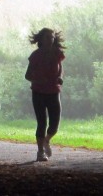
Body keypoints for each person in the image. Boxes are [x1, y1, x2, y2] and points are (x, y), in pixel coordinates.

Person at [25, 28, 65, 162]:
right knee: (41, 123)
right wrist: (38, 80)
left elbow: (60, 68)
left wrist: (60, 77)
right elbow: (27, 75)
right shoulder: (35, 55)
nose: (50, 39)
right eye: (48, 37)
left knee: (54, 124)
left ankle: (47, 140)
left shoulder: (57, 54)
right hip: (38, 93)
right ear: (41, 39)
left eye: (52, 37)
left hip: (54, 92)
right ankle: (40, 151)